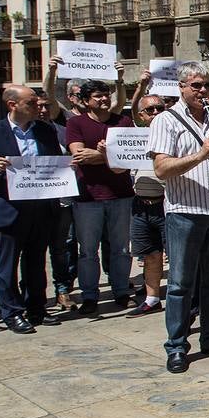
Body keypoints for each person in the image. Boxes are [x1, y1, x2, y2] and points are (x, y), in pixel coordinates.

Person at [148, 62, 209, 372]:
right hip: (185, 212)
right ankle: (176, 346)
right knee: (180, 284)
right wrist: (200, 154)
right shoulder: (165, 121)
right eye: (196, 86)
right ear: (182, 87)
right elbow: (161, 169)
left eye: (206, 87)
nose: (202, 92)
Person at [0, 85, 65, 334]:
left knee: (35, 262)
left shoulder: (45, 130)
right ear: (13, 105)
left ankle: (37, 307)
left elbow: (54, 162)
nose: (39, 107)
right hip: (7, 209)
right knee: (7, 264)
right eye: (32, 103)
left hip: (40, 208)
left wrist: (67, 171)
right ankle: (11, 312)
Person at [67, 79, 135, 313]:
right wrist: (109, 154)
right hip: (88, 198)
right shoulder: (75, 123)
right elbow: (79, 155)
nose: (104, 99)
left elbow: (128, 158)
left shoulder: (123, 122)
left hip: (121, 195)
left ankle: (122, 292)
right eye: (98, 96)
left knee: (121, 249)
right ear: (86, 101)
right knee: (87, 251)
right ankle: (89, 296)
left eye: (106, 95)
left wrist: (105, 155)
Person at [128, 94, 168, 316]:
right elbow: (117, 169)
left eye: (159, 108)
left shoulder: (172, 133)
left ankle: (187, 302)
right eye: (150, 110)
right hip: (140, 205)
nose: (155, 113)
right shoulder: (133, 136)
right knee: (150, 255)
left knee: (178, 257)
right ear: (141, 115)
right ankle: (152, 298)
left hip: (166, 203)